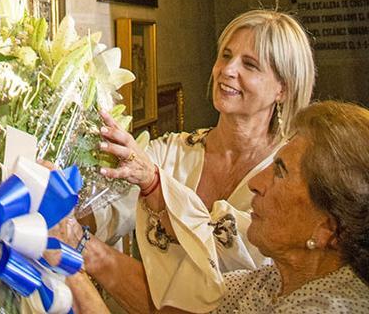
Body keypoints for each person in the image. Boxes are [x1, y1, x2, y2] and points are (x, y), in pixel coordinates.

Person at [82, 10, 316, 312]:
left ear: (282, 88)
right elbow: (102, 208)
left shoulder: (289, 178)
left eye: (250, 64)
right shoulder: (170, 152)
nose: (227, 70)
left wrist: (154, 184)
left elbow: (218, 274)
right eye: (226, 55)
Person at [61, 100, 369, 313]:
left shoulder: (332, 307)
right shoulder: (270, 281)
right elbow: (180, 308)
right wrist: (76, 241)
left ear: (327, 228)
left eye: (280, 171)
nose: (256, 182)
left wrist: (67, 262)